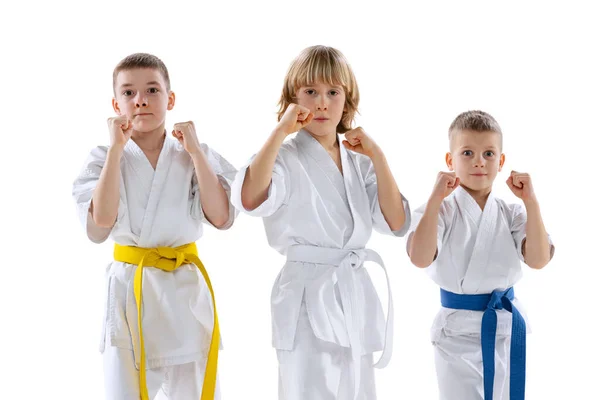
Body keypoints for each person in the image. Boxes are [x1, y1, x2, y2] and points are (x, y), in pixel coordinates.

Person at [231, 45, 411, 400]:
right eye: (310, 92)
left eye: (332, 92)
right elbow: (250, 198)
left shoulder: (359, 162)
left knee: (357, 390)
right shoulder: (283, 156)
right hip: (305, 294)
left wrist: (378, 156)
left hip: (352, 293)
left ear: (348, 101)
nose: (322, 103)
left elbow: (396, 221)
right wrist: (280, 133)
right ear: (293, 99)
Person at [72, 53, 237, 400]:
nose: (141, 100)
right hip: (129, 291)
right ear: (116, 103)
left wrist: (195, 153)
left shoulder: (193, 153)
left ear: (170, 98)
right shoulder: (102, 157)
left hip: (183, 292)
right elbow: (101, 222)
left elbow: (221, 216)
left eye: (152, 90)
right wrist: (117, 150)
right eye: (129, 93)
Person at [407, 110, 555, 400]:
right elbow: (420, 258)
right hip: (456, 332)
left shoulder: (512, 213)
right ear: (450, 161)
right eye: (467, 152)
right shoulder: (441, 210)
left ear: (501, 162)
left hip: (504, 329)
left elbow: (538, 260)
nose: (479, 161)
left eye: (488, 153)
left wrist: (531, 202)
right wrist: (436, 198)